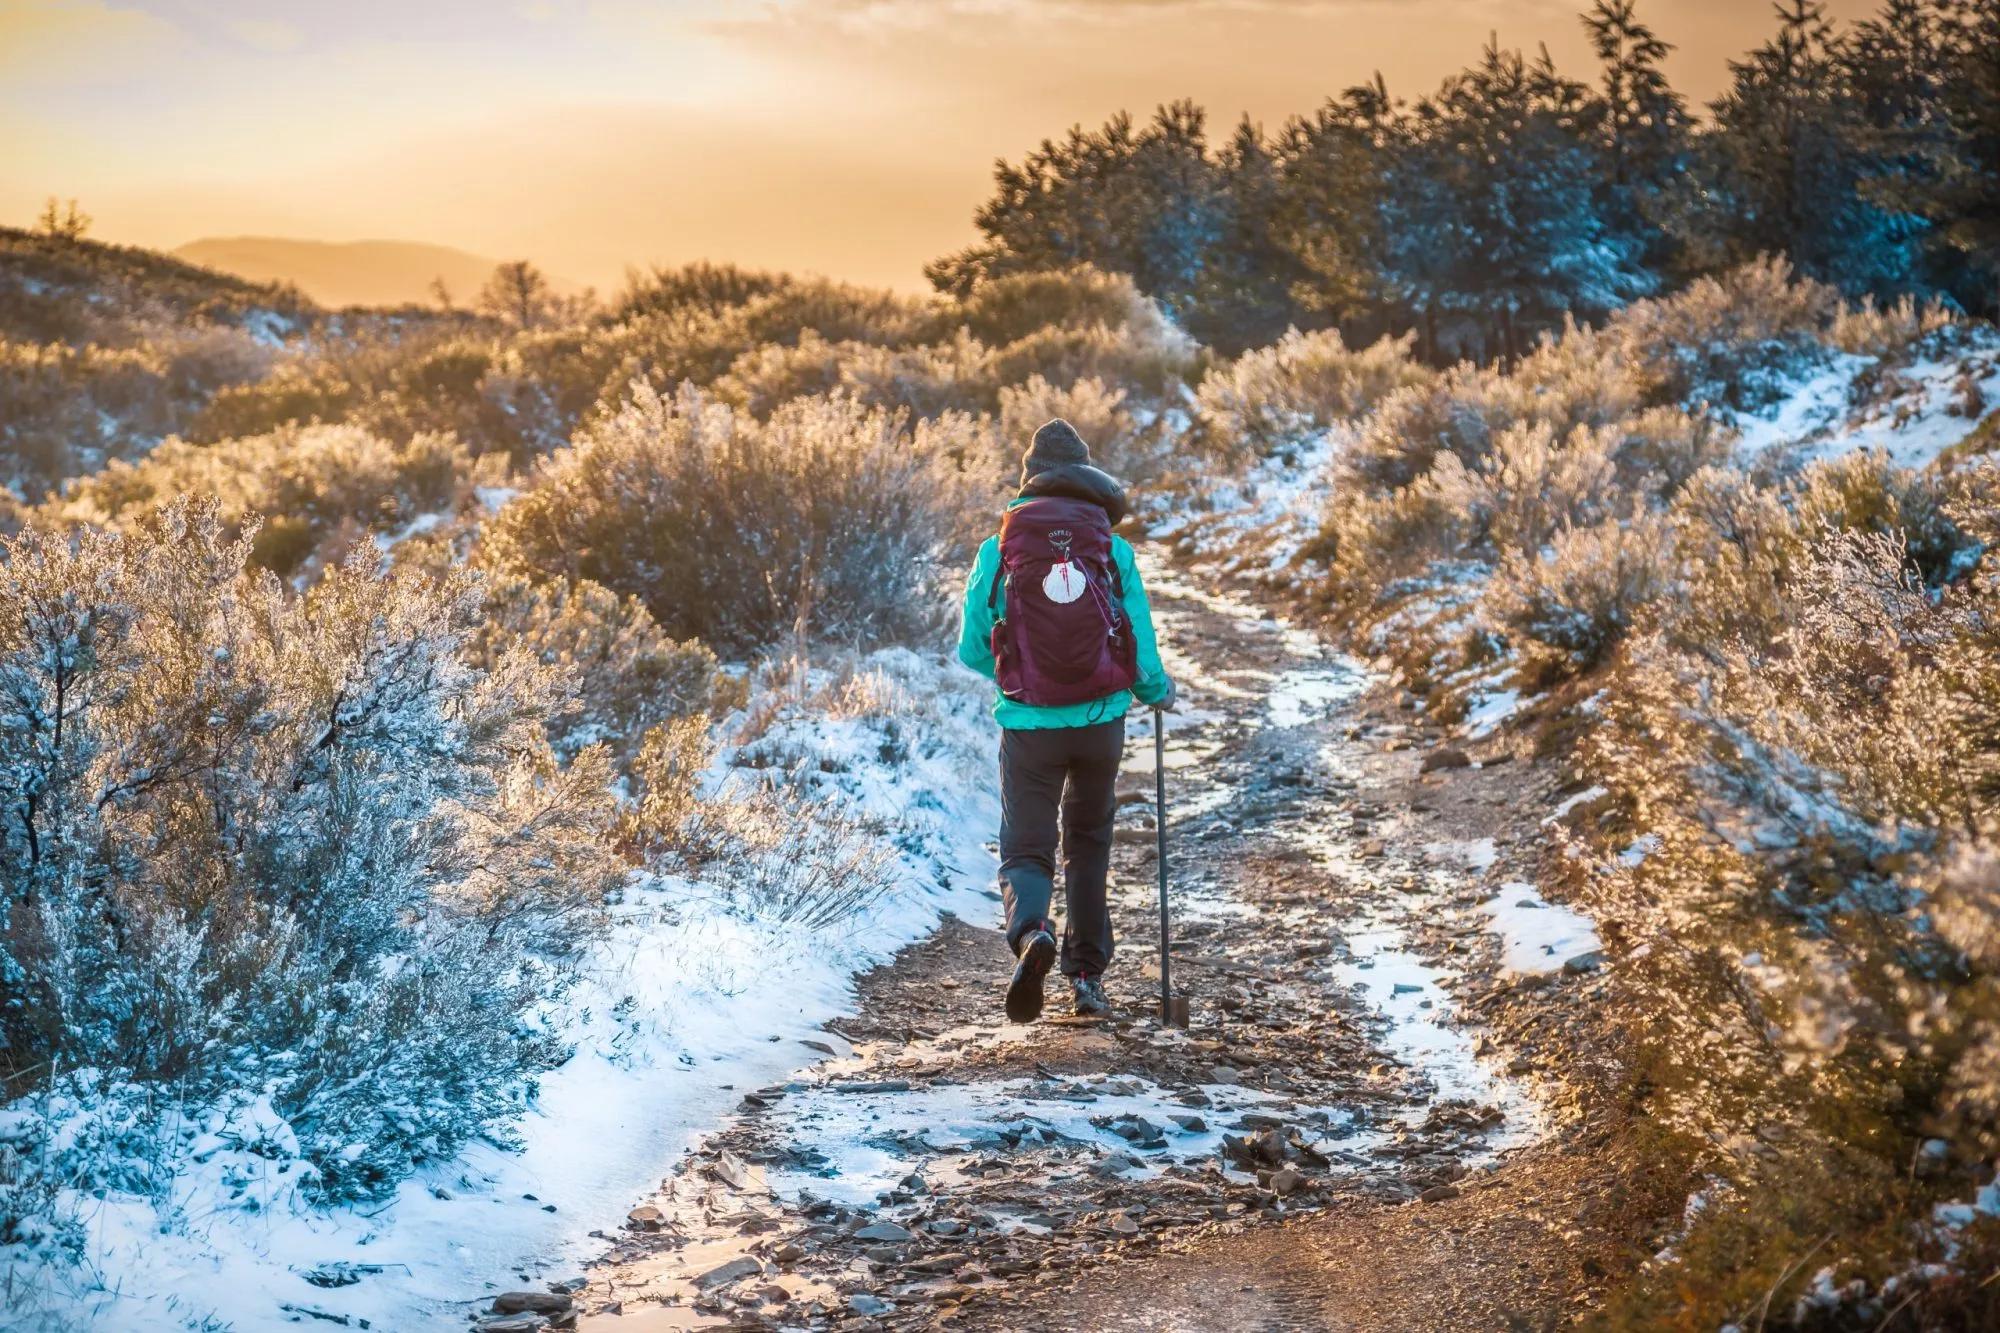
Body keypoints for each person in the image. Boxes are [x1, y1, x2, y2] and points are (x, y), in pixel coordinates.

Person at [956, 419, 1175, 1022]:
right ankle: (1085, 979)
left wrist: (1018, 675)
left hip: (1028, 725)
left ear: (1030, 478)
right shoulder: (1111, 547)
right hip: (1101, 723)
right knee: (1088, 843)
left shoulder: (999, 546)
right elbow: (1138, 639)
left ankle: (1032, 934)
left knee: (1026, 845)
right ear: (1086, 476)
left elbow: (971, 646)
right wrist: (1157, 691)